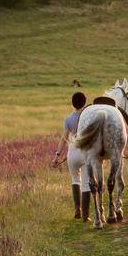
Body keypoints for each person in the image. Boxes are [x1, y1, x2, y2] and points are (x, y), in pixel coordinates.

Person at [51, 91, 87, 219]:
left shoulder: (68, 119)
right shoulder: (88, 117)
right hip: (85, 152)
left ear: (72, 104)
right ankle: (86, 214)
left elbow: (63, 139)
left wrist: (57, 156)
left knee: (75, 180)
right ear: (85, 103)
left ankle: (77, 209)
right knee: (86, 183)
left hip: (72, 154)